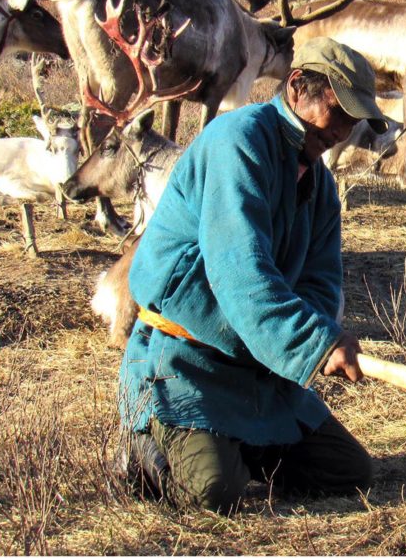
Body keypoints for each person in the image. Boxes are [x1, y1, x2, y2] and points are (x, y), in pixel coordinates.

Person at [117, 37, 389, 513]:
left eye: (354, 119)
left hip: (258, 367)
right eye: (337, 110)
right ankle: (147, 445)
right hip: (185, 357)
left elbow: (321, 280)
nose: (343, 130)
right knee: (213, 492)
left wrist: (319, 336)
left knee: (348, 471)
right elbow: (240, 275)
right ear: (297, 86)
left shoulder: (321, 184)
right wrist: (313, 343)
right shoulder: (237, 142)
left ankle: (238, 444)